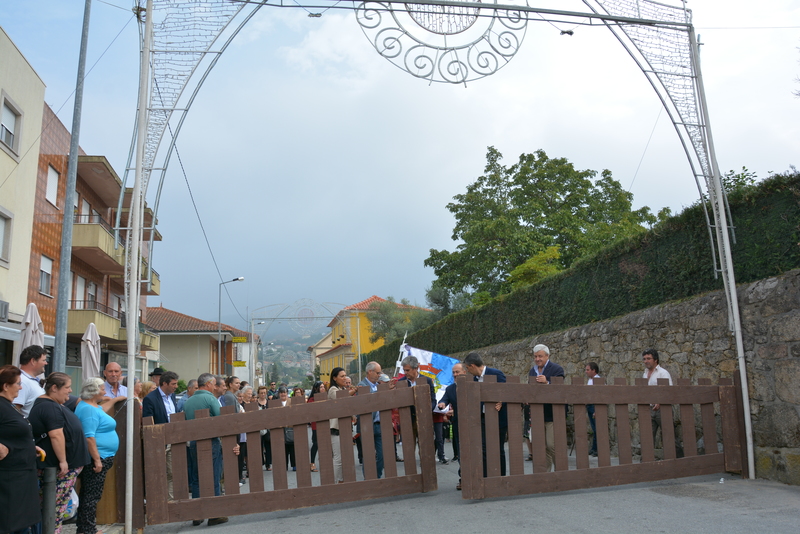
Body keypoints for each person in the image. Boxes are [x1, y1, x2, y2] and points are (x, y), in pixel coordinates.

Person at [28, 372, 90, 534]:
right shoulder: (48, 406)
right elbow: (56, 434)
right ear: (54, 388)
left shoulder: (52, 404)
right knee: (54, 508)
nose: (70, 391)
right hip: (59, 467)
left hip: (63, 466)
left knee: (55, 507)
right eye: (67, 387)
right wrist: (63, 461)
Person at [183, 373, 239, 527]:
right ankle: (215, 513)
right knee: (214, 475)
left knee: (196, 478)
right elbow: (220, 419)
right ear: (207, 384)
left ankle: (197, 514)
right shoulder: (210, 399)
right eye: (214, 384)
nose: (215, 387)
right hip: (211, 442)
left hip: (194, 442)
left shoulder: (188, 402)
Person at [0, 365, 42, 534]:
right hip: (10, 478)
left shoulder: (8, 405)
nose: (21, 386)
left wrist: (30, 446)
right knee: (14, 526)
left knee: (23, 525)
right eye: (17, 383)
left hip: (22, 474)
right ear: (5, 386)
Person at [74, 377, 119, 534]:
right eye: (101, 388)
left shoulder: (92, 406)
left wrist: (116, 399)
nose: (104, 391)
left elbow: (102, 410)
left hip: (103, 455)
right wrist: (97, 460)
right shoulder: (88, 409)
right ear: (93, 391)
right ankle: (87, 530)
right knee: (91, 495)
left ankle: (86, 528)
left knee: (91, 494)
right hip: (97, 457)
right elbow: (89, 437)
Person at [464, 352, 507, 477]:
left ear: (472, 366)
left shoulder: (496, 374)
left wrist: (501, 401)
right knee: (483, 448)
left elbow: (507, 391)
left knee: (498, 449)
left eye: (467, 368)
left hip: (498, 418)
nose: (467, 371)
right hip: (482, 418)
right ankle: (485, 476)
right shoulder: (474, 379)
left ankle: (501, 477)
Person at [528, 344, 565, 472]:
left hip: (553, 414)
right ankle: (546, 474)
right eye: (535, 356)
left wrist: (547, 382)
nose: (538, 359)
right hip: (538, 413)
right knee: (542, 446)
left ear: (547, 356)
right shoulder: (532, 371)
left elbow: (560, 390)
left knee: (552, 444)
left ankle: (560, 470)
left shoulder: (557, 369)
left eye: (540, 356)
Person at [142, 371, 179, 498]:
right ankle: (157, 498)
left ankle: (170, 499)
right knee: (158, 471)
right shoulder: (150, 398)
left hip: (172, 438)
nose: (176, 387)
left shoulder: (172, 397)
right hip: (158, 440)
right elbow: (148, 421)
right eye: (173, 384)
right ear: (164, 383)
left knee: (172, 471)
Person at [642, 349, 683, 457]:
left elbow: (668, 391)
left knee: (669, 435)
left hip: (662, 409)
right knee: (648, 436)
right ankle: (646, 462)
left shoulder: (663, 373)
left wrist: (660, 403)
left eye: (648, 359)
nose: (646, 361)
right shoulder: (645, 373)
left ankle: (679, 460)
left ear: (655, 360)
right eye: (644, 359)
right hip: (649, 409)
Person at [397, 355, 436, 447]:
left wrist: (427, 412)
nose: (405, 373)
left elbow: (433, 400)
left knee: (425, 445)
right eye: (404, 370)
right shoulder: (401, 382)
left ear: (416, 368)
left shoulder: (427, 380)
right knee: (409, 446)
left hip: (423, 418)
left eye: (407, 370)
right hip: (408, 419)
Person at [438, 362, 466, 489]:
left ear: (464, 372)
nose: (455, 375)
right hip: (458, 425)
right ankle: (463, 479)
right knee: (461, 453)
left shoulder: (474, 385)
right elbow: (444, 399)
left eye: (457, 372)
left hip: (475, 424)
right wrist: (442, 404)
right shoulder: (450, 389)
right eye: (453, 372)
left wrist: (456, 411)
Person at [357, 362, 384, 479]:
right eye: (377, 373)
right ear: (370, 372)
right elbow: (367, 400)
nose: (379, 375)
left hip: (380, 424)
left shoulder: (379, 385)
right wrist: (381, 391)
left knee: (383, 454)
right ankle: (368, 479)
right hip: (366, 425)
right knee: (368, 455)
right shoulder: (361, 385)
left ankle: (376, 476)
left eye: (380, 373)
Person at [327, 367, 354, 483]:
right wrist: (354, 390)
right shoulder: (333, 389)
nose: (344, 378)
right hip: (336, 428)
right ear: (334, 377)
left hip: (345, 427)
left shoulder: (342, 388)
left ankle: (342, 480)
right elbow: (341, 398)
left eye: (345, 375)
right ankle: (336, 481)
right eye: (341, 376)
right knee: (338, 458)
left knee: (346, 456)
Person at [13, 345, 48, 417]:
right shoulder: (22, 381)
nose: (46, 363)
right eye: (43, 360)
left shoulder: (29, 380)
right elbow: (13, 411)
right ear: (33, 361)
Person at [276, 386, 297, 471]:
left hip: (290, 426)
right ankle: (284, 465)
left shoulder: (291, 401)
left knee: (292, 446)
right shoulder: (276, 402)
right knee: (282, 448)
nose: (283, 394)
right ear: (279, 394)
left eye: (284, 392)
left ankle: (294, 465)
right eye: (281, 393)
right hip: (280, 428)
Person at [307, 381, 325, 472]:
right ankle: (312, 462)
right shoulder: (311, 399)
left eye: (323, 387)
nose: (323, 389)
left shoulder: (326, 397)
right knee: (316, 443)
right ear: (316, 388)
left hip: (325, 424)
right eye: (321, 387)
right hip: (316, 425)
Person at [585, 362, 601, 457]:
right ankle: (594, 448)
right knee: (594, 428)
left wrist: (596, 410)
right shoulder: (590, 380)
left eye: (588, 370)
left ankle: (596, 449)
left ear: (593, 370)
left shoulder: (597, 380)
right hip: (590, 406)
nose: (586, 372)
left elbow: (599, 396)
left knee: (597, 428)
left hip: (594, 406)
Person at [255, 386, 272, 471]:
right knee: (259, 446)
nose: (263, 394)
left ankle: (268, 463)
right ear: (258, 393)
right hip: (258, 427)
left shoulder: (269, 403)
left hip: (268, 427)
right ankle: (260, 462)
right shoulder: (255, 403)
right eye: (261, 393)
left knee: (268, 445)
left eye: (264, 393)